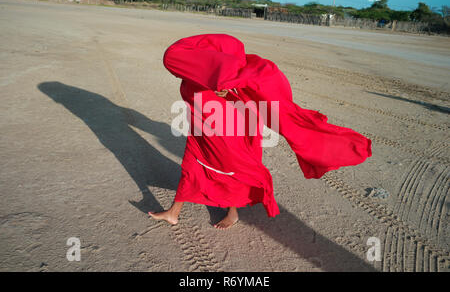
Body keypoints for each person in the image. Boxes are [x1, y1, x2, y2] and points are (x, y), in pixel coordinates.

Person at [149, 34, 372, 230]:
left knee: (232, 167)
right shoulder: (200, 71)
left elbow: (251, 98)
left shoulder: (231, 80)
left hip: (225, 130)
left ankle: (233, 212)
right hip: (201, 131)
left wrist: (228, 92)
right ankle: (173, 213)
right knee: (191, 165)